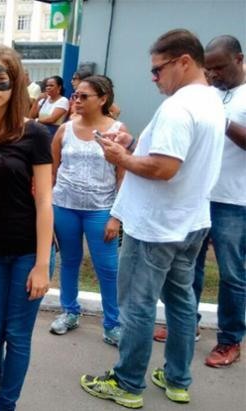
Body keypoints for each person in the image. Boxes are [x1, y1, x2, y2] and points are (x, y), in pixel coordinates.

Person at [80, 29, 225, 408]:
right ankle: (178, 379)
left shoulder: (179, 108)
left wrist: (122, 159)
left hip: (156, 226)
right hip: (190, 220)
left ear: (184, 62)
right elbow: (174, 157)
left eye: (158, 70)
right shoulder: (212, 101)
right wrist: (132, 148)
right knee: (180, 302)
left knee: (138, 306)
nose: (153, 77)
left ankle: (128, 384)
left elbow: (164, 167)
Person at [0, 45, 54, 411]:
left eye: (0, 80)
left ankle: (6, 403)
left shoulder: (34, 135)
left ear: (15, 82)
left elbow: (45, 201)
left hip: (25, 253)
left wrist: (42, 264)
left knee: (17, 335)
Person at [49, 75, 127, 346]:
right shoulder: (65, 130)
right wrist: (49, 210)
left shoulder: (116, 130)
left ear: (103, 99)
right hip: (64, 207)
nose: (77, 100)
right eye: (75, 96)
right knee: (69, 262)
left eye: (84, 96)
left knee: (108, 268)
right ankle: (69, 312)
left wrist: (117, 216)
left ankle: (113, 323)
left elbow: (122, 176)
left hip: (101, 210)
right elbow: (52, 171)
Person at [195, 35, 245, 368]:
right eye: (208, 69)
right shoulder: (209, 93)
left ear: (239, 59)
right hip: (199, 195)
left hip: (235, 200)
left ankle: (229, 340)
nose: (213, 75)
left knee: (232, 273)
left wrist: (223, 121)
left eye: (219, 67)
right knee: (187, 267)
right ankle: (186, 324)